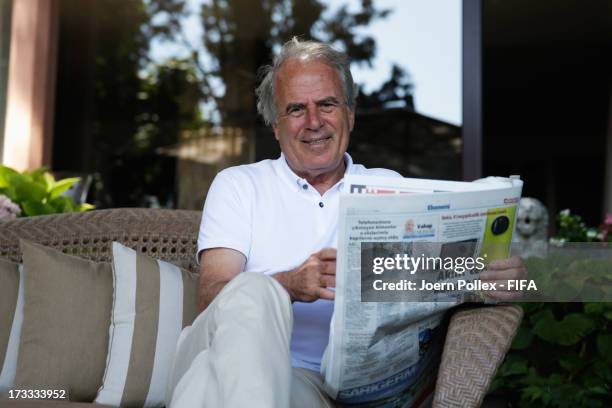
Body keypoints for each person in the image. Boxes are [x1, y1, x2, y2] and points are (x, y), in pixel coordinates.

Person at [165, 38, 526, 408]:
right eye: (296, 109)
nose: (314, 122)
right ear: (276, 125)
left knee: (208, 389)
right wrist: (287, 285)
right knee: (253, 293)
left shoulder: (391, 190)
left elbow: (438, 280)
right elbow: (212, 297)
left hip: (305, 385)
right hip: (226, 353)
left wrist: (488, 278)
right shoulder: (240, 185)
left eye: (327, 104)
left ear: (350, 114)